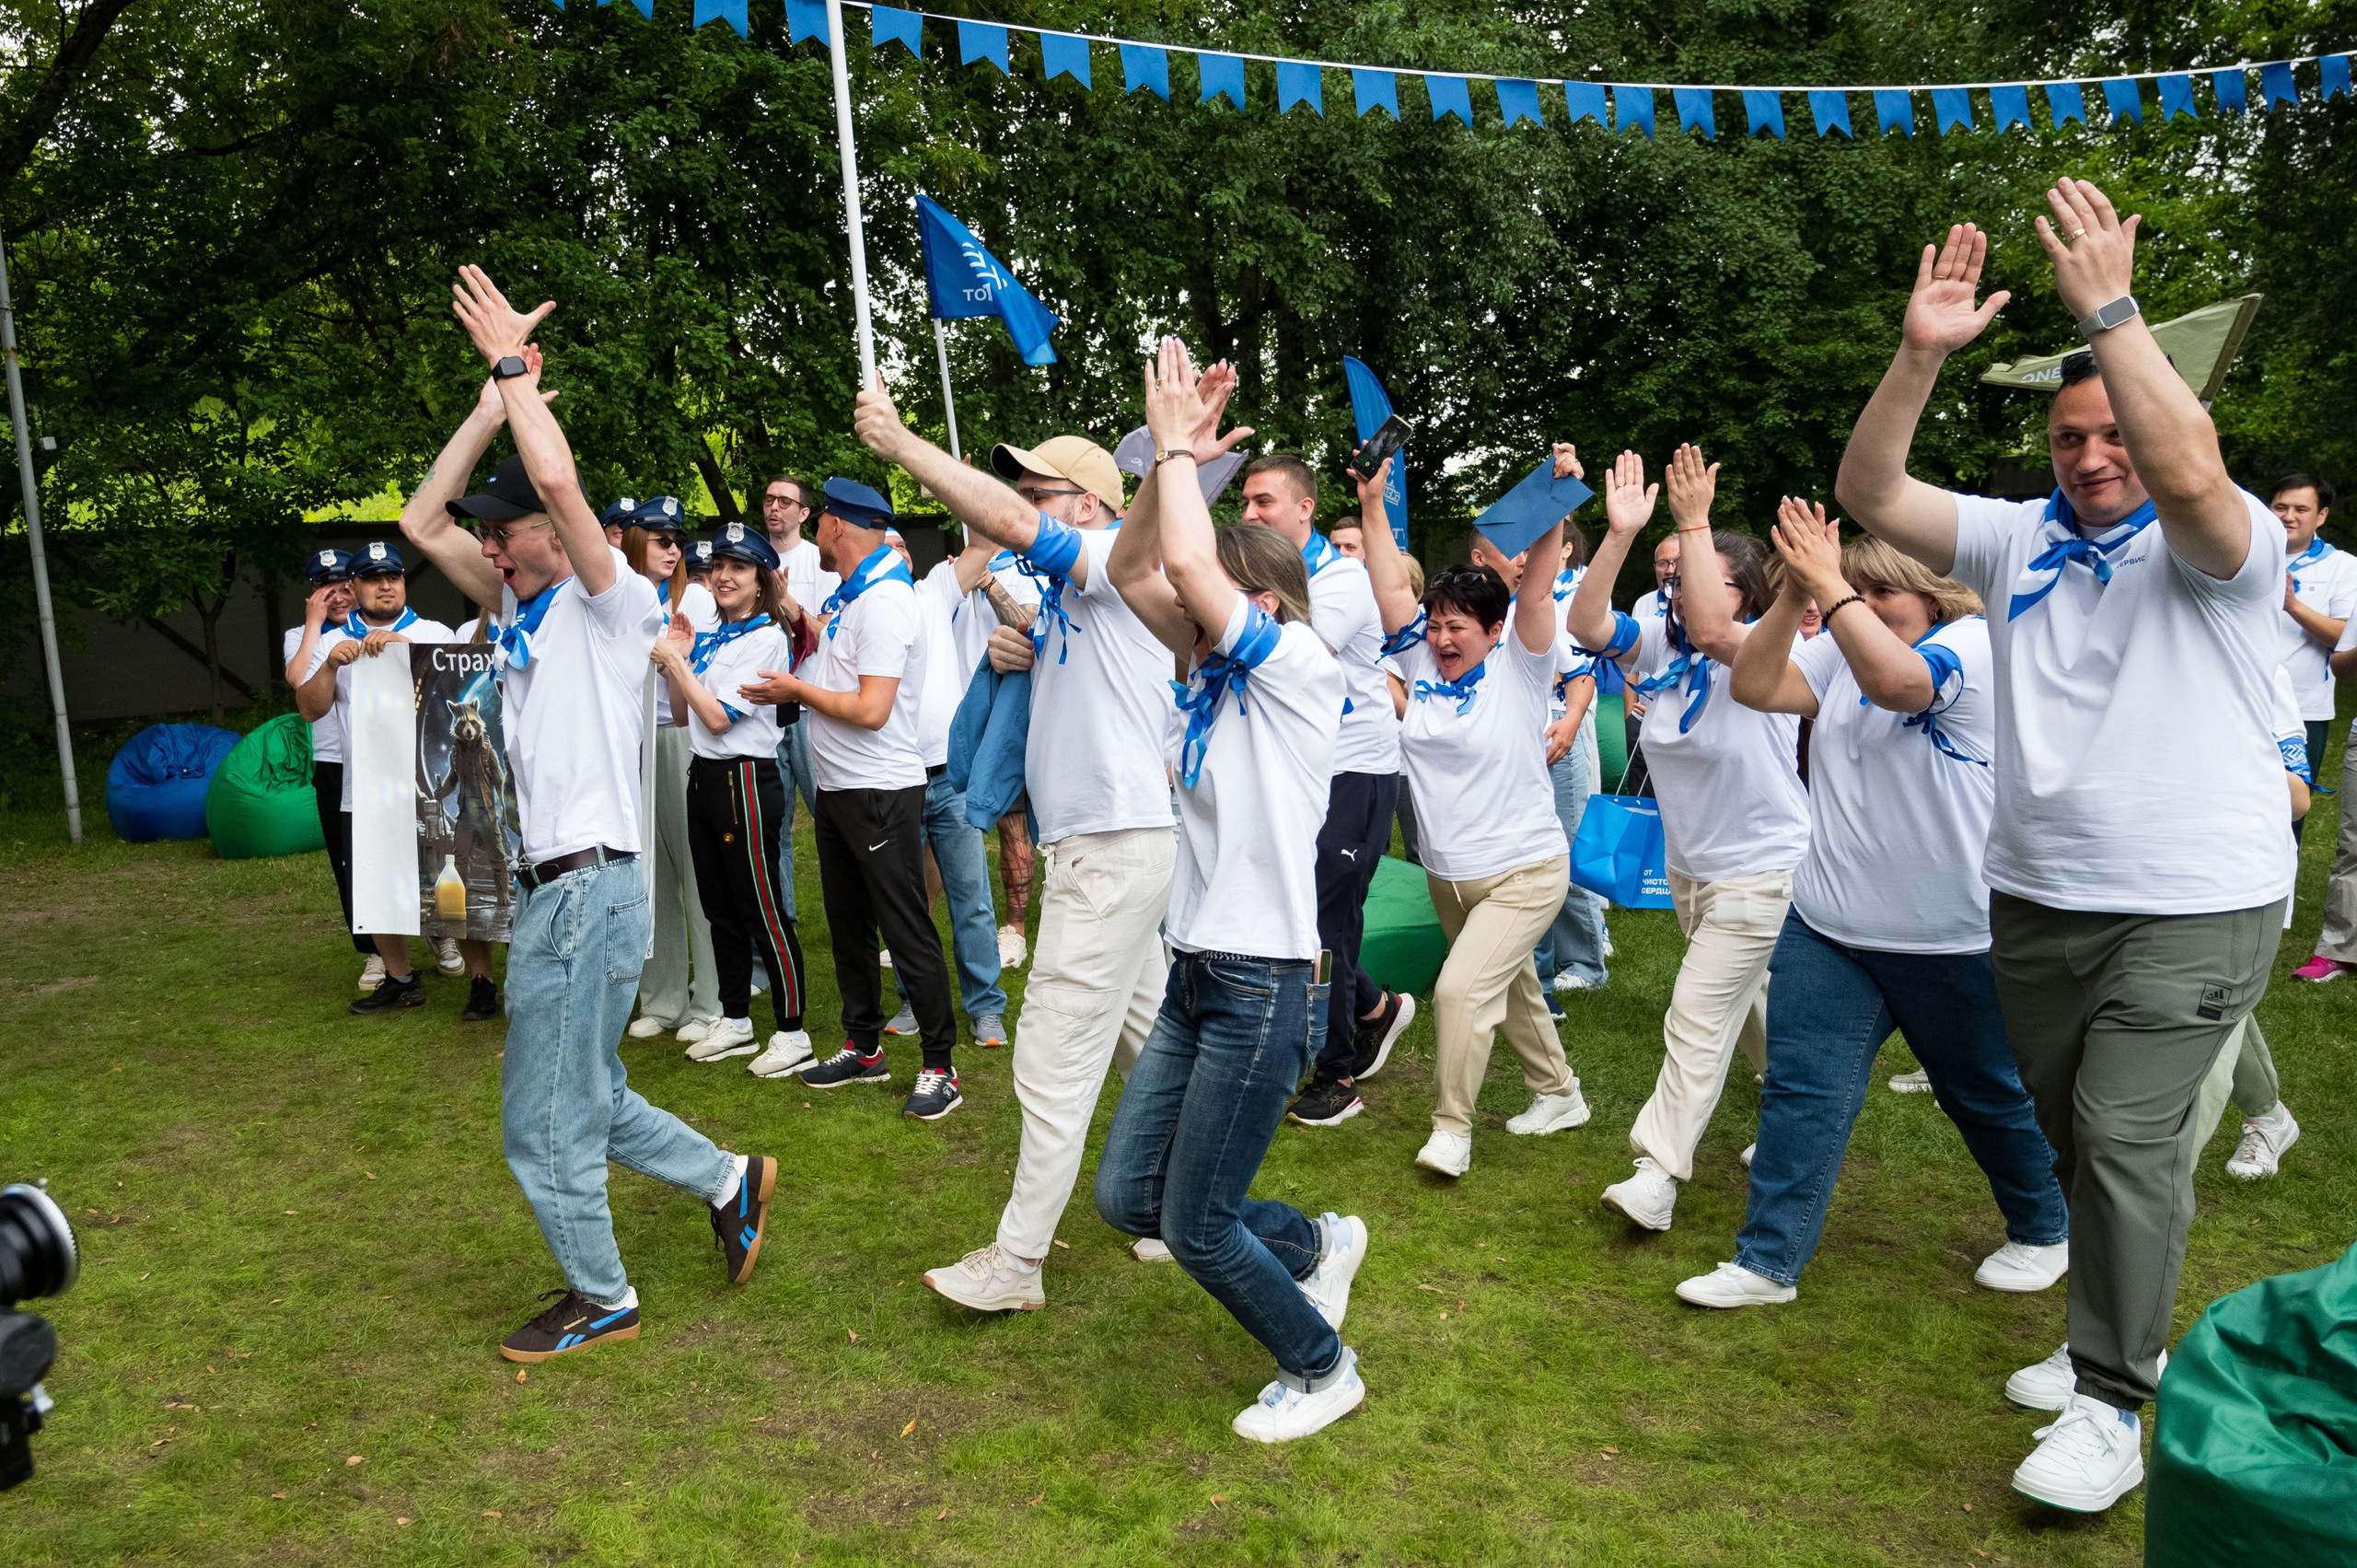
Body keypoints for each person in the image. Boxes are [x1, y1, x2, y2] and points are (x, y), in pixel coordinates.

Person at [1833, 192, 2291, 1514]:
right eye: (2068, 434)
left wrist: (2109, 312)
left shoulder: (2226, 547)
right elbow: (1871, 490)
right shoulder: (2015, 535)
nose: (2094, 455)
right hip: (2034, 899)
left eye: (2114, 432)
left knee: (2127, 1136)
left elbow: (2191, 469)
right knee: (2079, 1145)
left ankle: (2111, 1404)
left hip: (2196, 904)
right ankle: (2115, 1324)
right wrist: (1921, 352)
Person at [398, 266, 777, 1362]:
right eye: (496, 534)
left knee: (544, 1118)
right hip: (559, 891)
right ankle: (727, 1179)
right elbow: (423, 516)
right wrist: (486, 400)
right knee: (589, 1089)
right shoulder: (518, 611)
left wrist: (518, 371)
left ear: (547, 540)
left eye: (506, 531)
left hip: (591, 887)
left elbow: (561, 487)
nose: (493, 542)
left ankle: (600, 1292)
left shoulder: (611, 607)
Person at [1678, 500, 2068, 1310]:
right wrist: (1794, 595)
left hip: (1950, 934)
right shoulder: (1836, 653)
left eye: (1875, 591)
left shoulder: (1974, 643)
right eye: (1850, 589)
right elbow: (1752, 684)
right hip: (1831, 926)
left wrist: (1831, 588)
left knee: (1984, 1093)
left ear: (1928, 592)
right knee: (1802, 1089)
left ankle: (2045, 1227)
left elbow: (1898, 685)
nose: (1856, 602)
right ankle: (1767, 1261)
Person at [1093, 336, 1367, 1443]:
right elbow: (1129, 573)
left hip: (1262, 986)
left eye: (1217, 588)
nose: (1187, 598)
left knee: (1196, 1224)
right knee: (1130, 1201)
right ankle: (1311, 1241)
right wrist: (1182, 468)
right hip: (1196, 974)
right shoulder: (1201, 675)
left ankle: (1322, 1364)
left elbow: (1191, 574)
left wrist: (1172, 453)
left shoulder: (1302, 671)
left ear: (1264, 597)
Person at [849, 398, 1180, 1313]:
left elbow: (999, 526)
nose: (1015, 505)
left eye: (1035, 493)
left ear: (1086, 507)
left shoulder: (1114, 563)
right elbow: (1039, 630)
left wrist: (901, 444)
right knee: (1150, 1037)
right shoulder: (1078, 593)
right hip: (1121, 846)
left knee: (1048, 1061)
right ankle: (1173, 1208)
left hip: (1108, 853)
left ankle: (1018, 1261)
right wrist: (1015, 650)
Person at [1568, 447, 1808, 1232]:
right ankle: (1797, 1105)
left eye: (1693, 573)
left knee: (1697, 1013)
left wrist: (1693, 526)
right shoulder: (1660, 646)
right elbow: (1585, 622)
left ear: (1747, 593)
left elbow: (1714, 625)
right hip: (1692, 865)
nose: (1673, 587)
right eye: (1666, 576)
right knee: (1750, 1003)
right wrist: (1620, 535)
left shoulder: (1773, 647)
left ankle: (1657, 1173)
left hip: (1762, 865)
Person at [1358, 453, 1591, 1179]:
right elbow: (1388, 587)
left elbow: (1542, 585)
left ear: (1496, 629)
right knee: (1511, 985)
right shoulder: (1422, 666)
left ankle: (1451, 1130)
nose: (1440, 637)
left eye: (1457, 625)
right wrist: (1371, 504)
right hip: (1448, 876)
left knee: (1462, 991)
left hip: (1524, 868)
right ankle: (1560, 1092)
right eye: (1434, 624)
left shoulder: (1523, 664)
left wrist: (1557, 497)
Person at [735, 478, 961, 1120]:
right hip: (839, 791)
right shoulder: (855, 593)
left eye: (824, 521)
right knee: (849, 929)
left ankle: (941, 1066)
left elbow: (871, 707)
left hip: (881, 792)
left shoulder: (885, 601)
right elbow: (830, 647)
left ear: (834, 525)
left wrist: (796, 693)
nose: (821, 533)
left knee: (906, 929)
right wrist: (783, 600)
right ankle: (865, 1047)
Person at [1235, 454, 1414, 1132]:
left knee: (1326, 923)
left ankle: (1337, 1074)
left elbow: (1282, 653)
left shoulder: (1341, 579)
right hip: (1300, 770)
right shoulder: (1261, 578)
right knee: (1304, 912)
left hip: (1355, 772)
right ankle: (1376, 1006)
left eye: (1265, 502)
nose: (1250, 514)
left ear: (1305, 509)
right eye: (1246, 503)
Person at [649, 519, 815, 1077]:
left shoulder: (766, 636)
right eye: (718, 566)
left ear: (761, 579)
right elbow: (680, 713)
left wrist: (675, 660)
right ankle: (736, 1019)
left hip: (744, 779)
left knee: (761, 907)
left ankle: (793, 1032)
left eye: (738, 568)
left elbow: (720, 719)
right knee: (719, 906)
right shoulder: (716, 636)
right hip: (705, 776)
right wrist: (681, 659)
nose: (723, 576)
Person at [296, 539, 458, 1014]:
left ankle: (479, 977)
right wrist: (328, 665)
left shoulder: (433, 630)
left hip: (429, 781)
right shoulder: (331, 640)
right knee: (373, 881)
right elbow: (309, 709)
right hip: (363, 788)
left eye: (394, 576)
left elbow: (458, 694)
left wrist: (408, 648)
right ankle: (400, 976)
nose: (385, 585)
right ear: (354, 586)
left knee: (448, 875)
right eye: (372, 577)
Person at [884, 524, 1009, 1050]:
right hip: (894, 780)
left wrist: (965, 494)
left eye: (901, 547)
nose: (896, 555)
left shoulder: (931, 590)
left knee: (972, 899)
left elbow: (984, 545)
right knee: (907, 905)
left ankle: (986, 1009)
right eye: (883, 549)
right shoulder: (860, 609)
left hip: (950, 777)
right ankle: (915, 1003)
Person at [622, 499, 726, 1047]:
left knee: (696, 869)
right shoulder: (616, 597)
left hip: (679, 735)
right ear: (635, 541)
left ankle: (712, 999)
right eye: (660, 539)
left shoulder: (697, 600)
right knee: (648, 875)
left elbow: (695, 682)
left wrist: (671, 659)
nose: (672, 549)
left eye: (677, 541)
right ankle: (662, 998)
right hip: (626, 742)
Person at [284, 548, 376, 990]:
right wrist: (315, 626)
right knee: (350, 862)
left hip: (381, 758)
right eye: (326, 588)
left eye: (344, 586)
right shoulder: (301, 635)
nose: (337, 596)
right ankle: (374, 952)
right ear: (312, 594)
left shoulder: (384, 625)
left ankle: (439, 937)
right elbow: (297, 680)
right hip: (334, 763)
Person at [1536, 509, 1610, 996]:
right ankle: (1566, 950)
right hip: (1526, 739)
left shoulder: (1571, 594)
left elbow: (1580, 670)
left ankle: (1587, 959)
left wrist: (1572, 719)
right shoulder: (1518, 598)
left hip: (1562, 729)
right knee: (1542, 850)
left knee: (1567, 843)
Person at [761, 474, 835, 925]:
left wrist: (789, 604)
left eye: (785, 502)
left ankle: (850, 919)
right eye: (769, 499)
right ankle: (781, 928)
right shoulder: (751, 560)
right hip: (765, 710)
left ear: (804, 513)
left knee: (833, 822)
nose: (775, 508)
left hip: (812, 711)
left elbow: (832, 634)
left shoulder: (819, 563)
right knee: (774, 827)